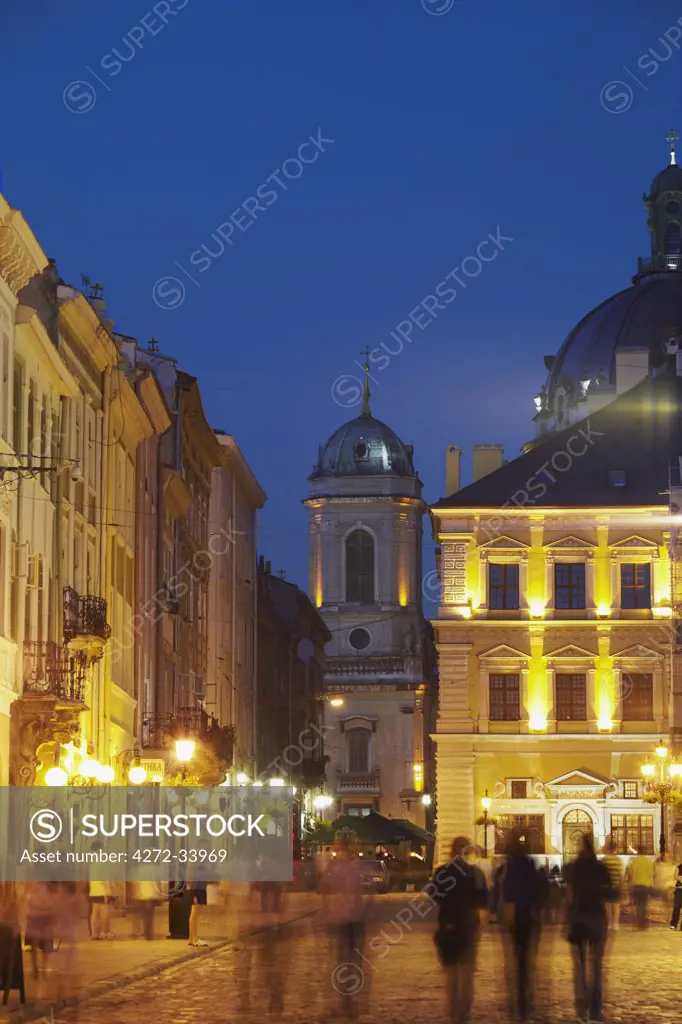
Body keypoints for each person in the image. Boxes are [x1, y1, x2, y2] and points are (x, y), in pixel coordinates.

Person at [430, 836, 487, 1024]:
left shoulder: (442, 872)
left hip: (449, 925)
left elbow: (435, 895)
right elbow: (483, 900)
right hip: (467, 926)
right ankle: (462, 1014)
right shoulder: (475, 873)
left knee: (453, 975)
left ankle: (455, 1013)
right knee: (466, 974)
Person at [566, 835, 613, 1024]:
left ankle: (581, 1008)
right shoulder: (601, 868)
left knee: (580, 966)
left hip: (579, 917)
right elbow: (609, 892)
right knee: (597, 965)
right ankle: (596, 1008)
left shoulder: (574, 868)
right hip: (597, 917)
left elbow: (569, 894)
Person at [500, 832, 542, 1022]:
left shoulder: (512, 865)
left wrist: (508, 920)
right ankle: (526, 999)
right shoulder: (531, 864)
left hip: (517, 917)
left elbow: (509, 893)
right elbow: (538, 890)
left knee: (517, 960)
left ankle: (518, 1000)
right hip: (530, 917)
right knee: (526, 960)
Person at [601, 838, 623, 932]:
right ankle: (615, 923)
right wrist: (621, 885)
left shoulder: (604, 860)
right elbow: (620, 874)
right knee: (616, 906)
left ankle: (609, 923)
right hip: (616, 885)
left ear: (607, 849)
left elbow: (600, 874)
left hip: (606, 887)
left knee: (607, 907)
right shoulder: (618, 860)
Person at [630, 846, 654, 929]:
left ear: (638, 852)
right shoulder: (648, 861)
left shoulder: (635, 861)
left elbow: (632, 874)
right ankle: (642, 923)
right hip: (646, 885)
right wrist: (651, 885)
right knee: (644, 905)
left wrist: (632, 886)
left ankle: (640, 923)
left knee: (638, 905)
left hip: (637, 885)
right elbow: (651, 874)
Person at [187, 881, 209, 947]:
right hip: (197, 889)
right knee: (195, 914)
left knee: (196, 914)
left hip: (200, 889)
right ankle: (195, 939)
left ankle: (191, 939)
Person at [669, 859, 682, 930]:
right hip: (679, 889)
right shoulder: (679, 867)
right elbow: (675, 875)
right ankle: (674, 924)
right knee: (677, 906)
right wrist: (680, 878)